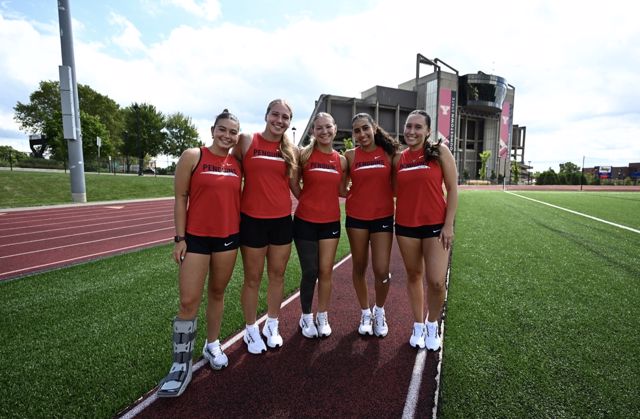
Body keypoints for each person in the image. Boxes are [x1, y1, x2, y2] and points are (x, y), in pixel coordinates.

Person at [157, 109, 242, 398]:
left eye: (232, 132)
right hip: (195, 239)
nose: (227, 135)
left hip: (228, 238)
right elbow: (181, 197)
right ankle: (181, 364)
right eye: (222, 129)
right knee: (188, 301)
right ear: (212, 130)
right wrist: (180, 238)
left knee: (217, 292)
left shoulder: (237, 163)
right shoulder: (194, 156)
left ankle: (212, 344)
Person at [234, 99, 298, 354]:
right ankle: (251, 329)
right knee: (252, 278)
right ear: (266, 115)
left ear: (289, 122)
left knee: (277, 275)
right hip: (252, 220)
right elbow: (231, 174)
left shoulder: (291, 150)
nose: (279, 120)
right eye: (275, 114)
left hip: (282, 221)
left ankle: (272, 324)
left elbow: (295, 187)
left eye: (285, 117)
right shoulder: (247, 141)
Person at [393, 109, 458, 351]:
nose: (412, 131)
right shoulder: (398, 159)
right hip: (405, 227)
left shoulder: (440, 152)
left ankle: (432, 323)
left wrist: (448, 224)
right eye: (409, 126)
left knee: (437, 281)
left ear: (428, 131)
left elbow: (452, 189)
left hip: (435, 227)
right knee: (413, 276)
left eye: (418, 127)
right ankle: (418, 325)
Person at [290, 112, 348, 338]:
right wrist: (306, 200)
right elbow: (293, 182)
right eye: (319, 128)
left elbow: (342, 190)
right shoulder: (304, 155)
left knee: (325, 271)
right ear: (313, 131)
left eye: (328, 127)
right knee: (310, 271)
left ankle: (322, 316)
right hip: (305, 222)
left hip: (330, 223)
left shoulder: (341, 160)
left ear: (335, 128)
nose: (324, 131)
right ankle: (306, 316)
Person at [344, 113, 399, 337]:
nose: (362, 134)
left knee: (382, 270)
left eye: (365, 128)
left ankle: (379, 310)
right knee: (359, 267)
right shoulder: (349, 156)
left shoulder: (389, 154)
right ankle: (365, 312)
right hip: (356, 218)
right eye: (356, 131)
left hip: (382, 218)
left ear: (374, 128)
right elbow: (340, 188)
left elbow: (397, 186)